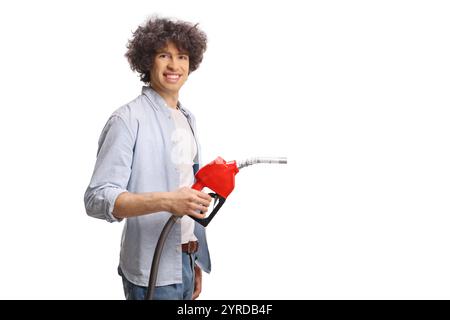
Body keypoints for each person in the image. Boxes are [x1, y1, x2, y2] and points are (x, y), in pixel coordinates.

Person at [84, 17, 213, 300]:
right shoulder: (127, 119)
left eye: (182, 56)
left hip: (187, 263)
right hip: (151, 270)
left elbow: (191, 194)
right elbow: (97, 198)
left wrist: (195, 256)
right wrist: (167, 201)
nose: (174, 66)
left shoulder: (187, 118)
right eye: (163, 55)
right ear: (147, 61)